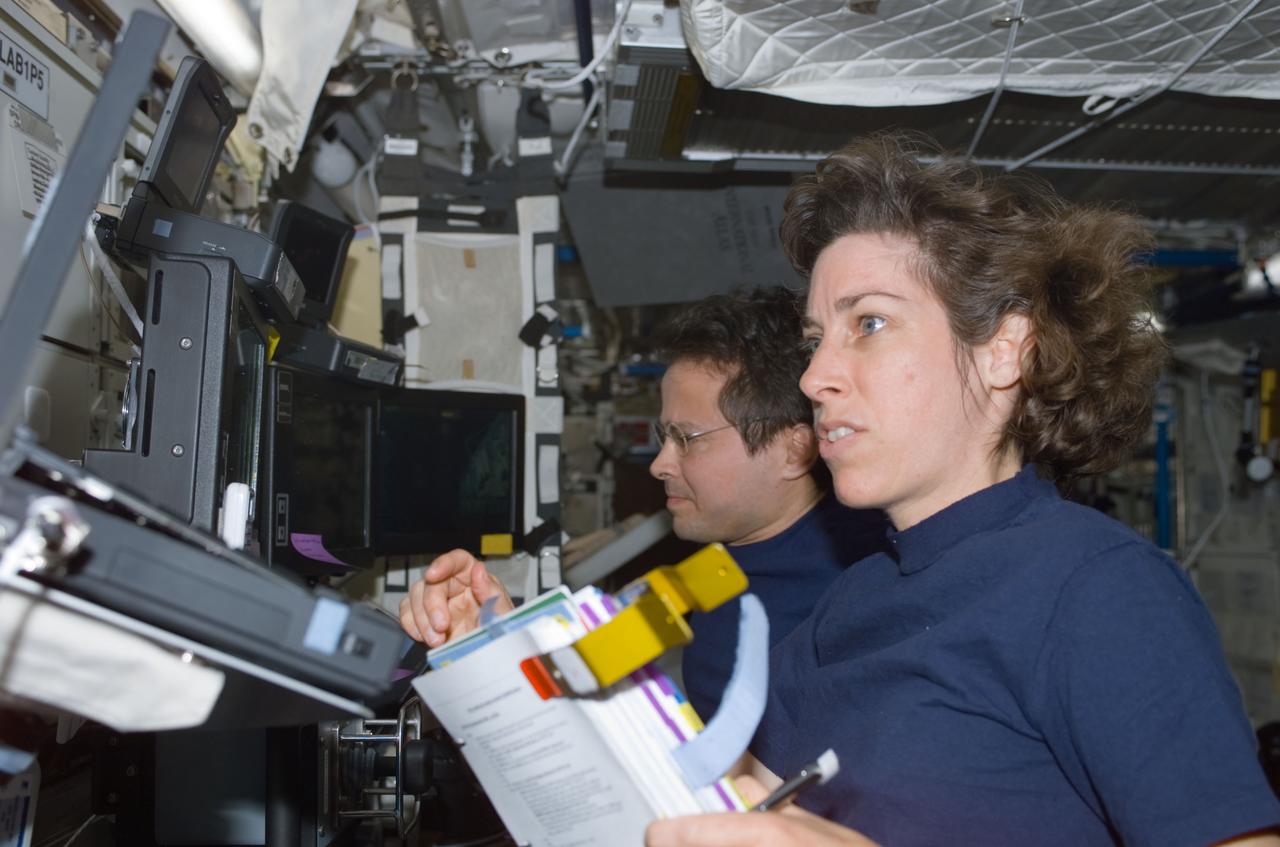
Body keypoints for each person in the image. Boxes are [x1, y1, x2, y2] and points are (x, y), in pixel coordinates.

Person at [648, 131, 1280, 847]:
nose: (813, 376)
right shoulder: (855, 599)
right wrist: (530, 673)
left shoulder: (1095, 588)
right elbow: (727, 804)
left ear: (1004, 350)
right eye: (817, 337)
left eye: (870, 323)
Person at [399, 287, 886, 719]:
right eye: (662, 436)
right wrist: (499, 635)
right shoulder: (727, 574)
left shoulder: (839, 611)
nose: (659, 464)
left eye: (686, 438)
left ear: (793, 449)